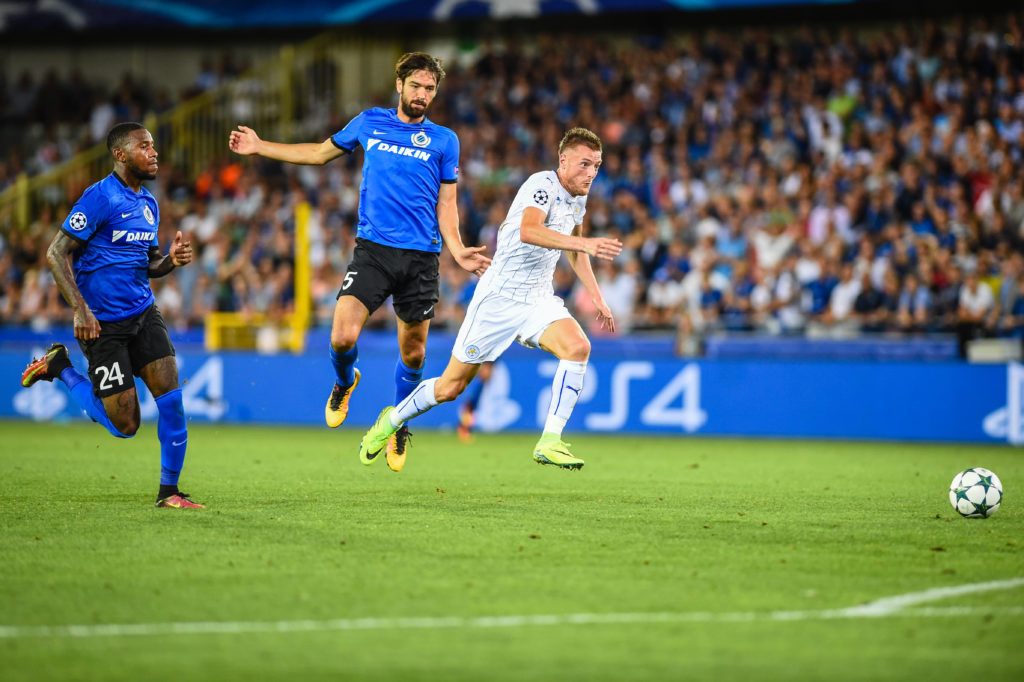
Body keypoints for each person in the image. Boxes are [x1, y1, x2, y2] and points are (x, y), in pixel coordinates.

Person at [229, 52, 490, 473]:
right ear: (400, 85)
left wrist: (457, 249)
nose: (423, 95)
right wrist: (260, 146)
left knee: (415, 352)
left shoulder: (444, 140)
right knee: (341, 338)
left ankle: (399, 421)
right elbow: (317, 153)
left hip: (422, 259)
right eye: (417, 86)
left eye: (430, 89)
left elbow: (448, 201)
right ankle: (345, 381)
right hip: (373, 252)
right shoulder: (370, 121)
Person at [357, 127, 622, 469]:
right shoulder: (542, 186)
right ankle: (390, 422)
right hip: (499, 297)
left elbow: (576, 247)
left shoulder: (579, 197)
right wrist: (583, 244)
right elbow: (530, 231)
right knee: (451, 387)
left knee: (578, 347)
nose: (591, 173)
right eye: (585, 164)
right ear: (563, 160)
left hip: (538, 297)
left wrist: (597, 296)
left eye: (597, 166)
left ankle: (550, 440)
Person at [20, 122, 202, 509]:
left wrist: (171, 260)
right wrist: (81, 310)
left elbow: (148, 262)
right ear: (120, 154)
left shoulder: (148, 203)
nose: (154, 153)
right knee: (126, 427)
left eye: (154, 146)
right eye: (145, 147)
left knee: (172, 401)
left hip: (143, 313)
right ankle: (60, 368)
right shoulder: (99, 197)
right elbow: (56, 252)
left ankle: (169, 493)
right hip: (102, 325)